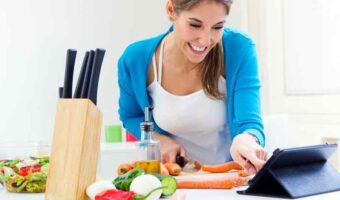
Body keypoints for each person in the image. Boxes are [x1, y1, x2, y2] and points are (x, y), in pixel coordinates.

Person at [118, 0, 267, 174]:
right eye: (195, 25)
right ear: (171, 10)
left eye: (217, 27)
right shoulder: (136, 59)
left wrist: (247, 139)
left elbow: (249, 122)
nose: (205, 40)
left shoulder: (238, 48)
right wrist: (159, 140)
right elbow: (131, 116)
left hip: (231, 178)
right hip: (176, 179)